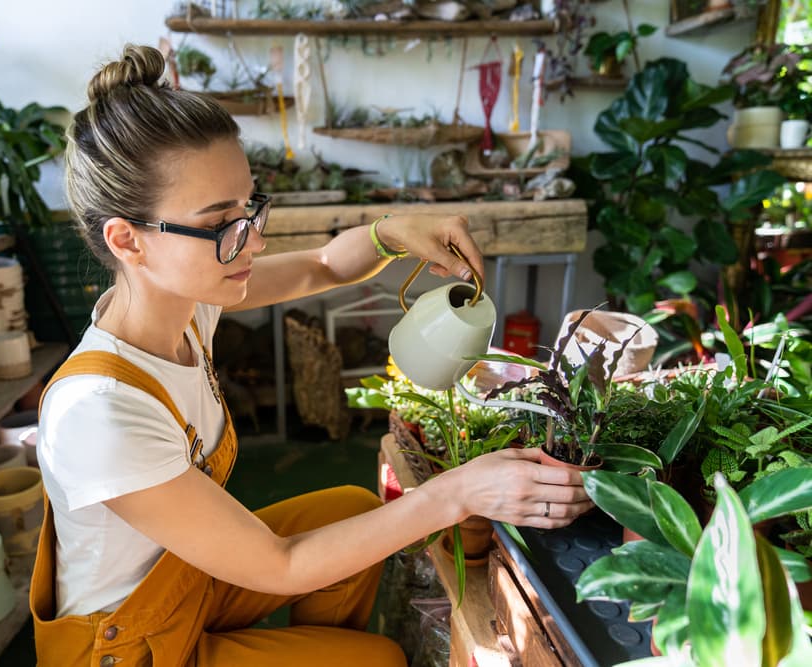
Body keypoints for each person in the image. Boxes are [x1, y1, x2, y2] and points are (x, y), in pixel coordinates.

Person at [31, 44, 592, 667]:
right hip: (126, 645)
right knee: (378, 659)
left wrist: (394, 230)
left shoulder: (187, 304)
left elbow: (321, 265)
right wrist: (459, 492)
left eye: (249, 207)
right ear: (126, 239)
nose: (253, 239)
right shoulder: (98, 411)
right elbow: (282, 564)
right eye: (222, 223)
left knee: (351, 513)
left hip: (179, 581)